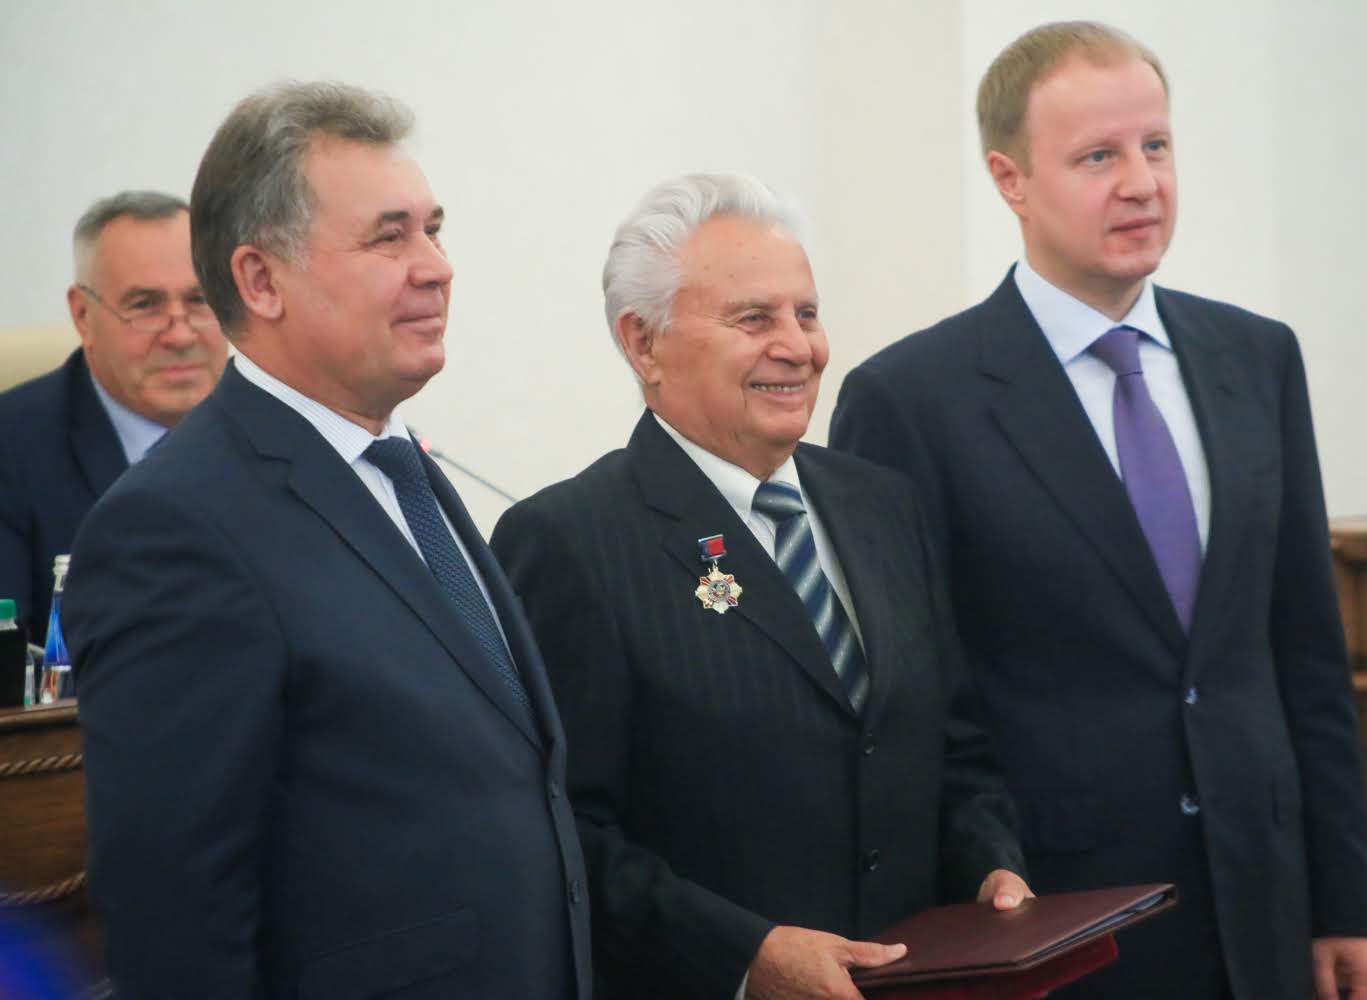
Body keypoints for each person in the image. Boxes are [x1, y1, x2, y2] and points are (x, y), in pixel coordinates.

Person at [831, 21, 1367, 1000]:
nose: (1142, 183)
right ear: (1010, 179)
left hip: (1264, 905)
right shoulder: (911, 399)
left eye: (1156, 145)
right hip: (1057, 920)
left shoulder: (1257, 358)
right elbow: (914, 706)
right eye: (1098, 156)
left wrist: (1346, 903)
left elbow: (1307, 650)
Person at [62, 82, 591, 999]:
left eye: (434, 229)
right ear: (261, 280)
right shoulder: (174, 527)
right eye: (390, 237)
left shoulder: (400, 467)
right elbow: (174, 910)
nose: (436, 267)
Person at [490, 174, 1030, 1000]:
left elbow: (953, 747)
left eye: (806, 314)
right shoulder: (571, 541)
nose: (799, 347)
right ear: (643, 343)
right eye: (754, 319)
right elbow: (566, 832)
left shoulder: (881, 505)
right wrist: (747, 957)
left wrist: (990, 864)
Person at [0, 191, 226, 640]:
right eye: (145, 305)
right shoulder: (11, 450)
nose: (181, 335)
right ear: (83, 315)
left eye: (200, 299)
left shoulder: (284, 426)